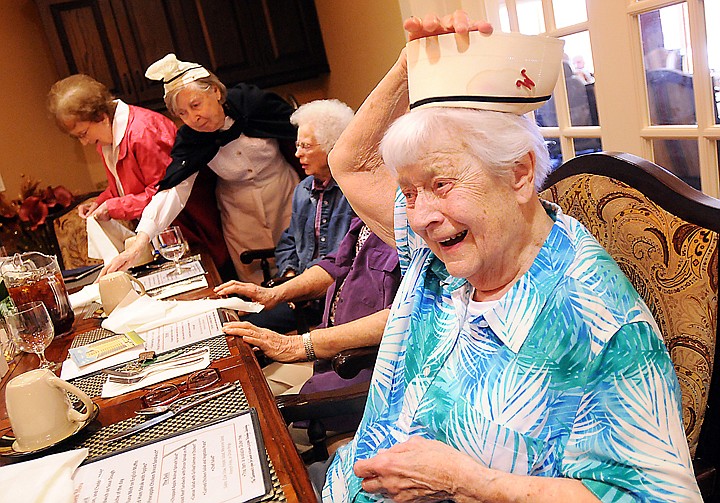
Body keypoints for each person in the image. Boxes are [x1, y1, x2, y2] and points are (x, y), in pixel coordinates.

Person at [320, 12, 701, 503]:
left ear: (519, 174)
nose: (420, 217)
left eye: (441, 183)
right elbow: (348, 163)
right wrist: (412, 65)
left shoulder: (594, 319)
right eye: (409, 192)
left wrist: (469, 482)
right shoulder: (455, 244)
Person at [103, 54, 300, 283]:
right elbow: (173, 191)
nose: (193, 118)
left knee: (300, 268)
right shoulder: (190, 140)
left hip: (288, 196)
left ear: (215, 91)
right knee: (256, 285)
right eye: (182, 113)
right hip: (240, 216)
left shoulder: (252, 103)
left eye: (195, 105)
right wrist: (140, 242)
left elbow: (302, 129)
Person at [47, 75, 230, 273]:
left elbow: (164, 192)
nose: (84, 142)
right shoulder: (107, 140)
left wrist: (113, 207)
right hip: (163, 236)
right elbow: (124, 186)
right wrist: (99, 203)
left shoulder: (144, 132)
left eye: (83, 134)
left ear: (101, 116)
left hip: (193, 231)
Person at [217, 217, 400, 403]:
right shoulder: (367, 219)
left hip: (365, 375)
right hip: (327, 361)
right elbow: (335, 265)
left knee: (255, 408)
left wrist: (296, 345)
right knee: (238, 392)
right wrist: (273, 294)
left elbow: (402, 316)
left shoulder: (413, 232)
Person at [244, 99, 356, 333]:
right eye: (297, 145)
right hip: (300, 294)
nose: (297, 154)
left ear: (331, 147)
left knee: (247, 332)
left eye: (306, 146)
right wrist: (290, 274)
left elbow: (346, 258)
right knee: (238, 325)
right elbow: (289, 241)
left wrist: (299, 287)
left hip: (337, 298)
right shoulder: (303, 189)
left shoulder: (354, 193)